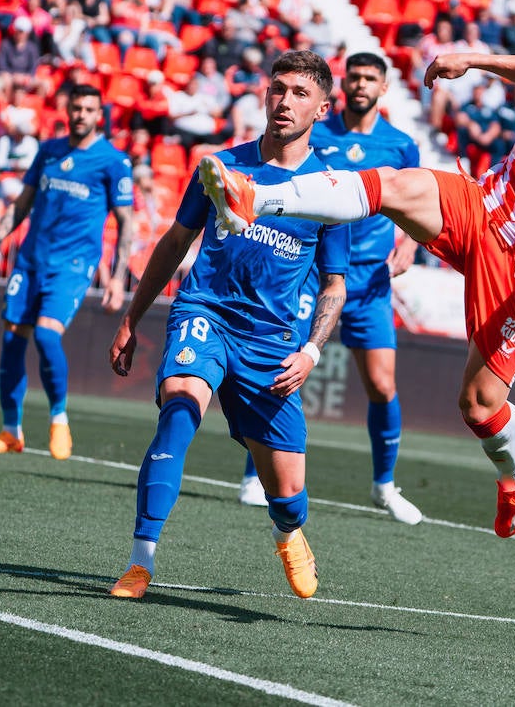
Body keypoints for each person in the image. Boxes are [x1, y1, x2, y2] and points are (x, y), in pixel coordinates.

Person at [198, 0, 515, 538]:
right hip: (483, 203)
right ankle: (255, 198)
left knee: (479, 406)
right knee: (395, 185)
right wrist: (476, 59)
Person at [106, 50, 350, 600]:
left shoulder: (331, 190)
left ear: (322, 109)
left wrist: (311, 351)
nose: (285, 101)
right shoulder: (219, 167)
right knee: (180, 405)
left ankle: (287, 532)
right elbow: (175, 242)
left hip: (272, 341)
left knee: (287, 494)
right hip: (205, 311)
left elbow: (334, 285)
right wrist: (132, 318)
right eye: (278, 88)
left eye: (300, 93)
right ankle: (140, 561)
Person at [234, 52, 423, 523]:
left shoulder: (401, 145)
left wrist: (410, 244)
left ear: (383, 88)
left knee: (382, 385)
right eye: (354, 77)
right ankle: (255, 476)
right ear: (343, 86)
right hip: (310, 275)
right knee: (281, 368)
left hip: (370, 280)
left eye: (370, 79)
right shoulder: (316, 132)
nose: (361, 85)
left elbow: (414, 201)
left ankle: (384, 486)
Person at [0, 87, 134, 461]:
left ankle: (59, 418)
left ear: (99, 116)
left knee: (45, 334)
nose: (81, 114)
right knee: (12, 342)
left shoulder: (113, 161)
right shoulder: (49, 150)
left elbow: (126, 222)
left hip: (72, 265)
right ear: (67, 111)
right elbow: (21, 205)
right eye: (76, 108)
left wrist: (118, 277)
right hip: (30, 261)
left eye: (88, 109)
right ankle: (11, 432)